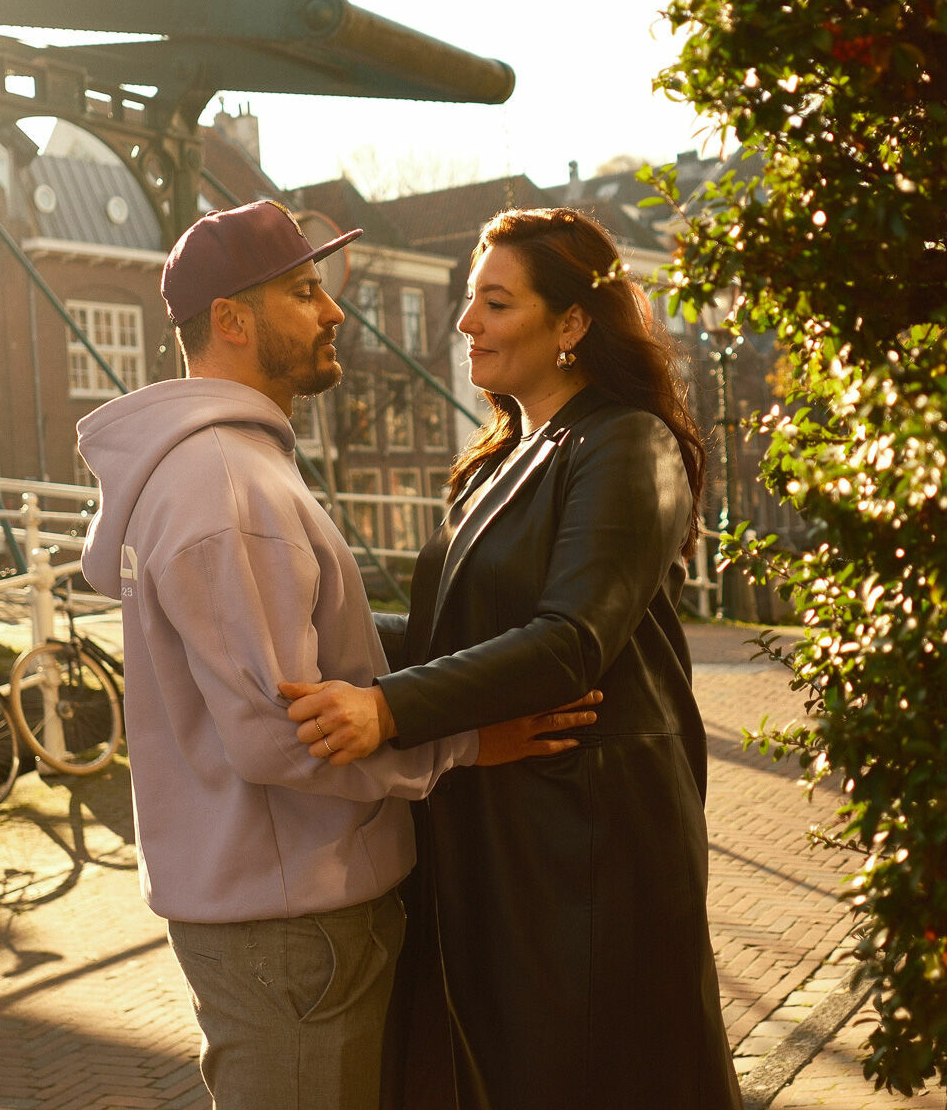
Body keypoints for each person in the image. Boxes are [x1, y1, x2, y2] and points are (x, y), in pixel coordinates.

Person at [77, 201, 598, 1110]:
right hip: (294, 923)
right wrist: (470, 743)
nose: (333, 313)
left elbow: (308, 664)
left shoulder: (224, 468)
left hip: (277, 912)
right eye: (305, 291)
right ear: (232, 321)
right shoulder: (227, 485)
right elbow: (283, 736)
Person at [278, 207, 745, 1110]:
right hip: (497, 822)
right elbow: (449, 629)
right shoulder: (495, 460)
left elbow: (573, 638)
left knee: (596, 1077)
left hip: (589, 835)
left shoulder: (630, 443)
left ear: (571, 323)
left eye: (495, 302)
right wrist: (293, 614)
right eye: (467, 299)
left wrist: (387, 711)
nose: (466, 324)